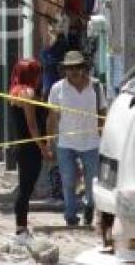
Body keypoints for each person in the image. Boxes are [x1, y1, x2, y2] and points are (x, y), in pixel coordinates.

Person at [47, 50, 107, 227]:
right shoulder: (57, 89)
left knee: (93, 181)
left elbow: (103, 112)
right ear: (65, 69)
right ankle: (70, 215)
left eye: (78, 67)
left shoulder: (96, 87)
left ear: (84, 68)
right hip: (66, 143)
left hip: (91, 142)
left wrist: (105, 136)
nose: (74, 71)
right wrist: (49, 142)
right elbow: (52, 117)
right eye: (70, 68)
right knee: (68, 180)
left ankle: (89, 207)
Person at [9, 59, 54, 245]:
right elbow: (32, 125)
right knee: (26, 189)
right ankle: (21, 231)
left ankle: (22, 229)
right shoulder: (27, 93)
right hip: (30, 148)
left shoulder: (15, 93)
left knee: (25, 188)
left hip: (24, 147)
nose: (40, 77)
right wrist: (43, 148)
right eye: (37, 73)